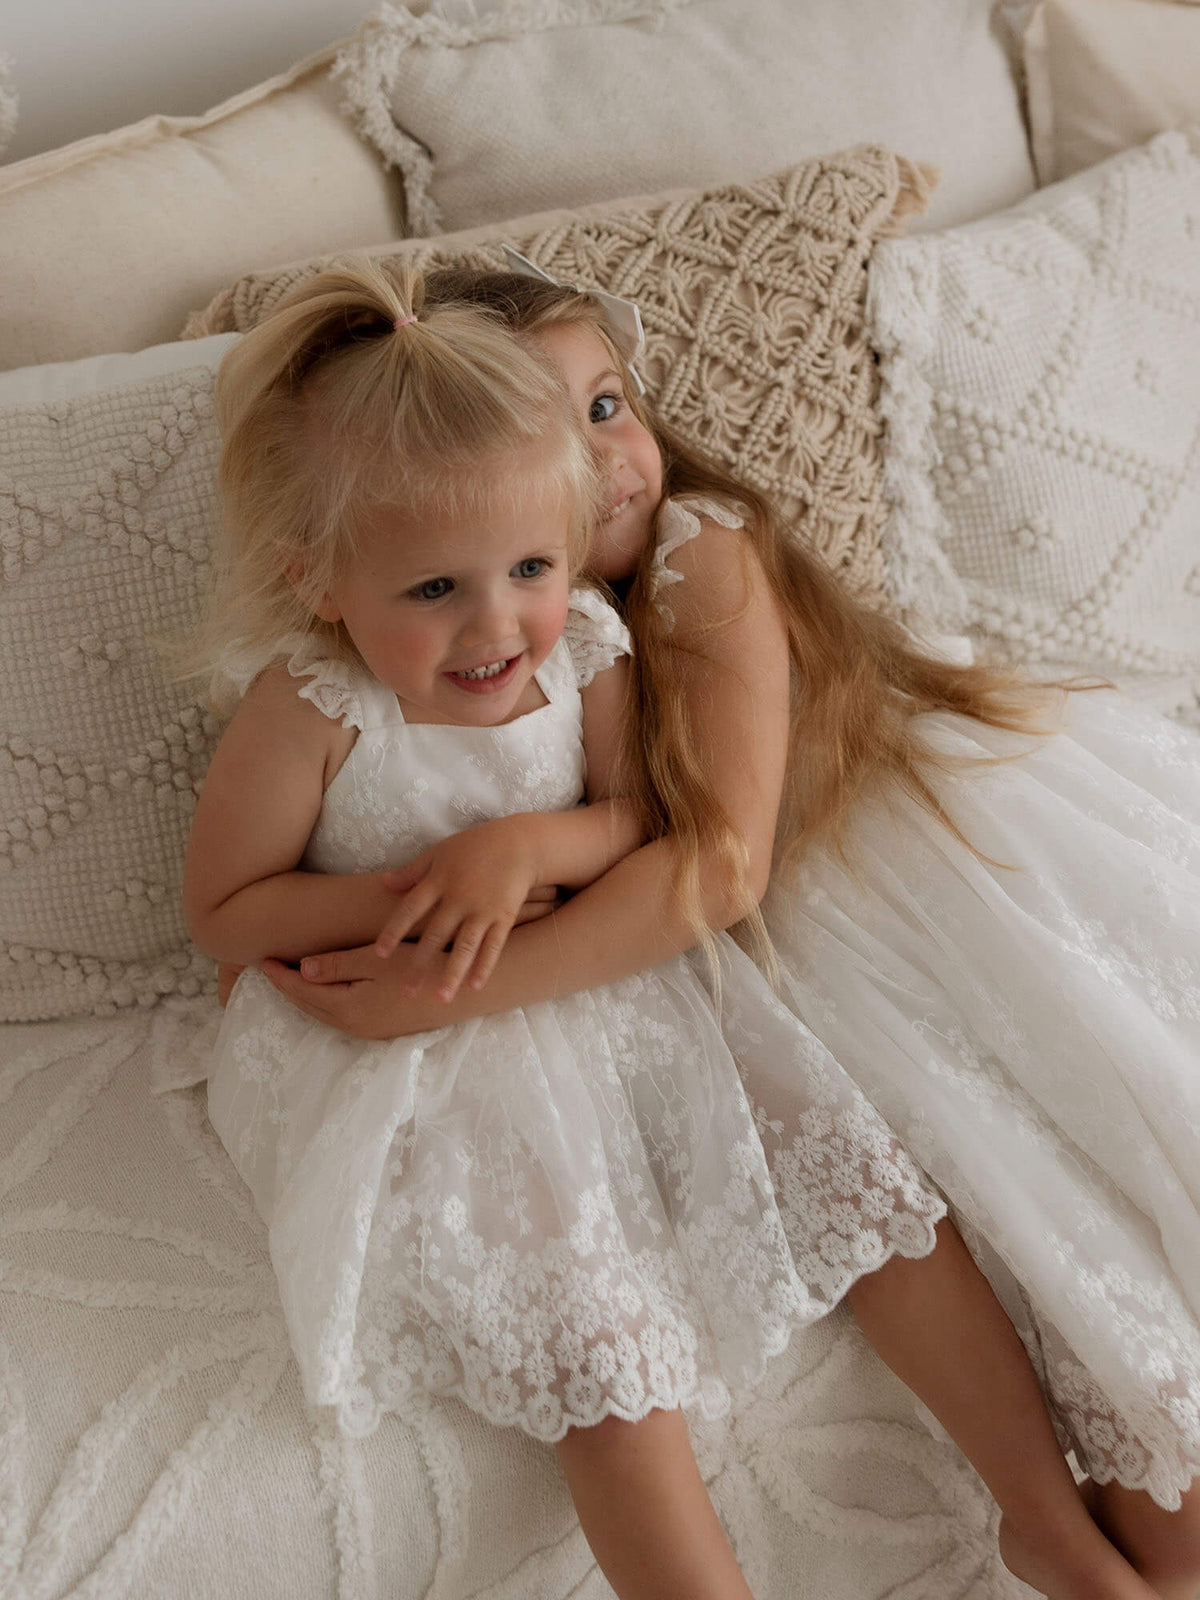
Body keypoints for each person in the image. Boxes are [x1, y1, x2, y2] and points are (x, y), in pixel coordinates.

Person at [263, 264, 1200, 1600]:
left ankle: (1078, 1514)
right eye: (556, 434)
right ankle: (1066, 1521)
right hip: (769, 951)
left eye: (610, 403)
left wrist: (454, 986)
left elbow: (717, 861)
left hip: (907, 873)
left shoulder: (700, 549)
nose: (610, 455)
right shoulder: (522, 638)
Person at [181, 260, 977, 1600]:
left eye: (533, 568)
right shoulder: (315, 704)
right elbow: (224, 908)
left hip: (589, 983)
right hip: (405, 1024)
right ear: (315, 578)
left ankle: (1037, 1502)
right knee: (596, 1328)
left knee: (837, 1147)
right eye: (435, 589)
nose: (498, 624)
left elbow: (635, 822)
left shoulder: (590, 654)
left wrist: (538, 852)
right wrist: (430, 888)